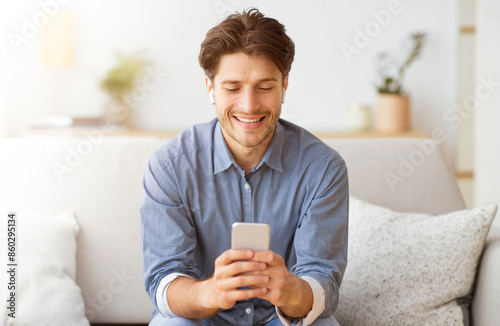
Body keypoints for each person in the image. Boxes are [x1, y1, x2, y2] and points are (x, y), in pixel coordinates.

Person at [140, 8, 348, 326]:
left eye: (264, 87)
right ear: (210, 87)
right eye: (232, 87)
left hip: (281, 320)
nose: (249, 106)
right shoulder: (169, 167)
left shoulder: (323, 168)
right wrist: (209, 293)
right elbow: (163, 282)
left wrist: (292, 292)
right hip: (202, 319)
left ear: (284, 85)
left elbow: (324, 284)